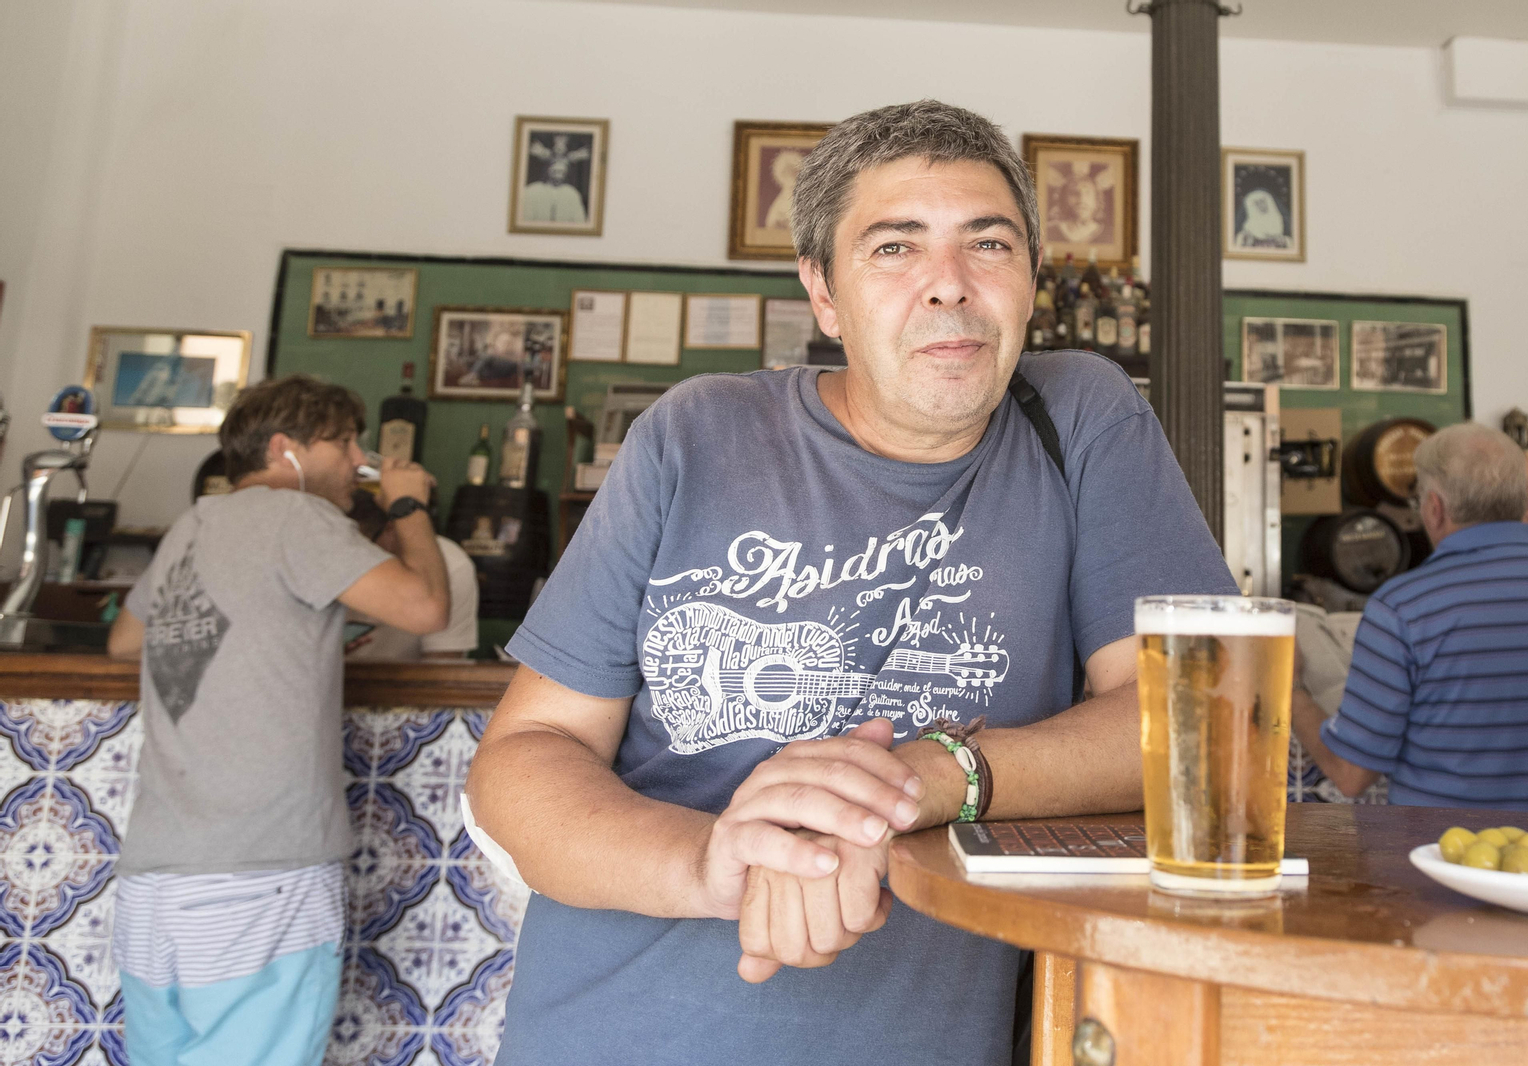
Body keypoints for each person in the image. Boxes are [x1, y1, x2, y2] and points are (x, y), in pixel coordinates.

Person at [465, 99, 1235, 1066]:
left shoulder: (1076, 416)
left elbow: (1199, 723)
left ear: (1032, 280)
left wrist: (922, 777)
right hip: (616, 1028)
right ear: (823, 293)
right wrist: (711, 864)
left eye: (987, 244)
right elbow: (528, 751)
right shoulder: (698, 433)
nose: (948, 286)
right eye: (894, 249)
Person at [105, 374, 450, 1066]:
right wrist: (407, 504)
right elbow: (426, 610)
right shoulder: (298, 517)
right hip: (260, 877)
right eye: (344, 441)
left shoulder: (193, 524)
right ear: (285, 448)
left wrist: (291, 636)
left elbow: (125, 641)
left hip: (154, 883)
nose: (358, 460)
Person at [1290, 422, 1528, 813]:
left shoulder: (1402, 608)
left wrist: (1292, 690)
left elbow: (1350, 774)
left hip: (1447, 863)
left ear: (1434, 508)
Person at [346, 489, 480, 660]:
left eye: (363, 549)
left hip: (406, 682)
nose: (350, 561)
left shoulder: (451, 563)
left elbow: (442, 665)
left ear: (390, 529)